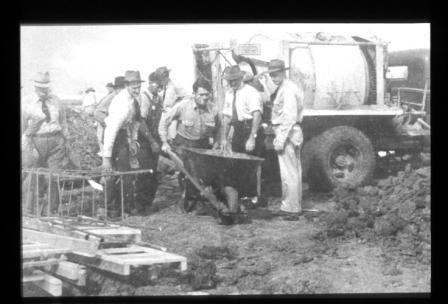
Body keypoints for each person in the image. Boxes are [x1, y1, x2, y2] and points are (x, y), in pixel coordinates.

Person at [159, 78, 219, 213]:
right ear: (194, 94)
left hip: (202, 144)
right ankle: (188, 200)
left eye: (206, 95)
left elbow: (218, 128)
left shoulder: (213, 109)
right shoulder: (183, 106)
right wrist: (164, 142)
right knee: (190, 172)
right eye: (201, 95)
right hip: (184, 144)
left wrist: (216, 142)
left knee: (203, 173)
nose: (204, 98)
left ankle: (197, 199)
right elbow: (164, 121)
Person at [267, 59, 316, 221]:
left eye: (276, 73)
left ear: (283, 72)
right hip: (291, 132)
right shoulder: (286, 87)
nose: (274, 77)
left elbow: (289, 116)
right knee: (292, 171)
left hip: (287, 132)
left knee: (289, 173)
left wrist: (280, 139)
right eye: (271, 74)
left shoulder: (287, 90)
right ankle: (291, 205)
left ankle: (292, 208)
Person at [21, 72, 74, 215]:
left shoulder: (56, 101)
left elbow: (63, 122)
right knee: (33, 177)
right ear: (35, 87)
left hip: (55, 142)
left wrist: (67, 141)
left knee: (54, 177)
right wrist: (27, 147)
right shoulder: (26, 102)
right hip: (35, 142)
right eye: (40, 88)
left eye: (46, 88)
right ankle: (29, 213)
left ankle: (52, 212)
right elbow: (23, 128)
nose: (43, 91)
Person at [220, 65, 265, 205]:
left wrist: (252, 138)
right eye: (230, 80)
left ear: (241, 78)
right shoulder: (229, 93)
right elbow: (227, 117)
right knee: (237, 163)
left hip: (250, 128)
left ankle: (253, 198)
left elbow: (257, 115)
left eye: (235, 80)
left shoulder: (251, 92)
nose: (232, 83)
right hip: (239, 130)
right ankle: (241, 196)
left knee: (251, 164)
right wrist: (223, 138)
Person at [102, 71, 144, 217]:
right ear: (126, 86)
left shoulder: (134, 101)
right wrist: (106, 158)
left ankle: (126, 207)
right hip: (113, 137)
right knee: (111, 173)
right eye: (134, 88)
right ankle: (111, 209)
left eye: (139, 87)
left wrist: (133, 140)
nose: (137, 90)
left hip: (124, 136)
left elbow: (136, 123)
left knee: (125, 173)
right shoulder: (121, 103)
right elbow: (111, 131)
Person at [133, 72, 164, 214]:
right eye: (156, 84)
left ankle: (148, 203)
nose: (159, 87)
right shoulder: (144, 98)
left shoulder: (158, 98)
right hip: (145, 141)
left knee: (153, 173)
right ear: (151, 82)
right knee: (145, 172)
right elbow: (141, 122)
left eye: (161, 84)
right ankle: (139, 205)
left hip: (155, 139)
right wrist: (152, 141)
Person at [93, 76, 126, 156]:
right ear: (116, 89)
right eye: (120, 88)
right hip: (104, 128)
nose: (123, 90)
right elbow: (97, 113)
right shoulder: (112, 97)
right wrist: (109, 125)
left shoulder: (124, 98)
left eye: (124, 88)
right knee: (107, 152)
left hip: (117, 130)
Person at [154, 66, 186, 141]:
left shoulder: (175, 85)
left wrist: (176, 106)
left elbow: (185, 97)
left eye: (163, 78)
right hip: (165, 114)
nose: (161, 81)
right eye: (160, 79)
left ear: (167, 76)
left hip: (173, 115)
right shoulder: (165, 87)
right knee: (164, 134)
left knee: (172, 135)